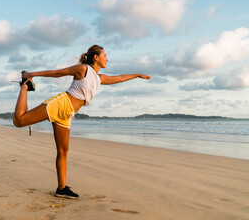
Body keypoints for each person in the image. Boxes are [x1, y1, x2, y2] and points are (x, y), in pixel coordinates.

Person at [13, 45, 151, 199]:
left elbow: (119, 78)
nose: (107, 58)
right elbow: (58, 73)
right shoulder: (83, 69)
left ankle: (62, 188)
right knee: (19, 121)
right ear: (95, 57)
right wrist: (32, 74)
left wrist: (138, 75)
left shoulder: (99, 78)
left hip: (67, 114)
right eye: (105, 55)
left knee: (63, 150)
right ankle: (24, 87)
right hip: (61, 103)